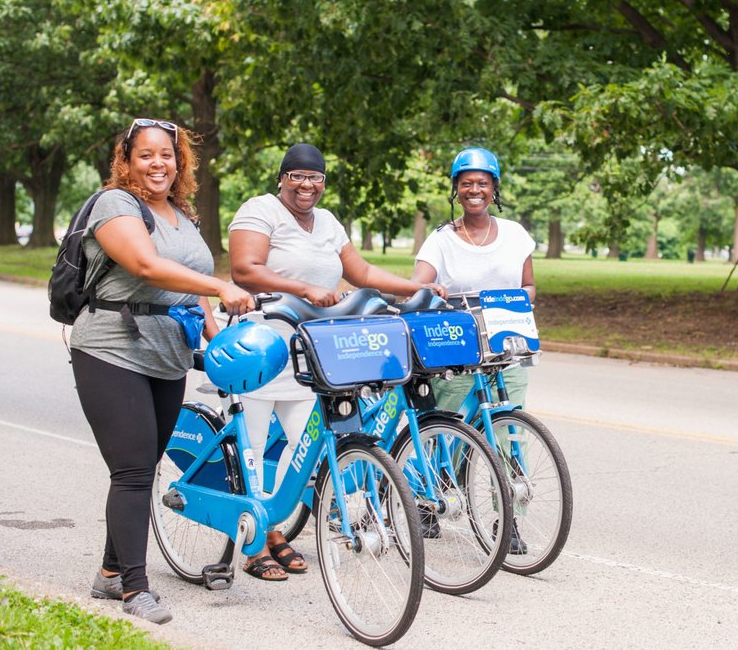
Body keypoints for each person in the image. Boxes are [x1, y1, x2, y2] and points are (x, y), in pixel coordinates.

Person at [228, 143, 446, 581]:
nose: (307, 184)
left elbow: (361, 273)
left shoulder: (327, 223)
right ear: (282, 178)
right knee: (249, 446)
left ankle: (273, 528)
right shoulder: (260, 210)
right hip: (261, 346)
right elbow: (244, 269)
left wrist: (414, 289)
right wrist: (304, 289)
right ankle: (257, 543)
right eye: (298, 176)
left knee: (303, 446)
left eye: (316, 178)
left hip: (310, 351)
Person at [71, 119, 254, 625]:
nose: (158, 164)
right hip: (111, 348)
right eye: (146, 155)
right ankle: (135, 588)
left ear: (180, 162)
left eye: (167, 155)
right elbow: (147, 267)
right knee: (131, 469)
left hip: (167, 353)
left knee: (145, 466)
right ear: (126, 160)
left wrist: (216, 331)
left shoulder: (181, 214)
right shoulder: (114, 206)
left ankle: (110, 572)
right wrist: (220, 286)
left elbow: (188, 282)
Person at [410, 147, 536, 552]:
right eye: (466, 183)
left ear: (494, 188)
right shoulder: (441, 239)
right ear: (456, 190)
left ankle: (509, 518)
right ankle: (429, 500)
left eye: (482, 182)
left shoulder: (515, 234)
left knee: (507, 430)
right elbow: (420, 284)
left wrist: (515, 301)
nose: (474, 189)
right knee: (441, 426)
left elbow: (530, 286)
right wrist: (430, 290)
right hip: (457, 345)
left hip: (506, 345)